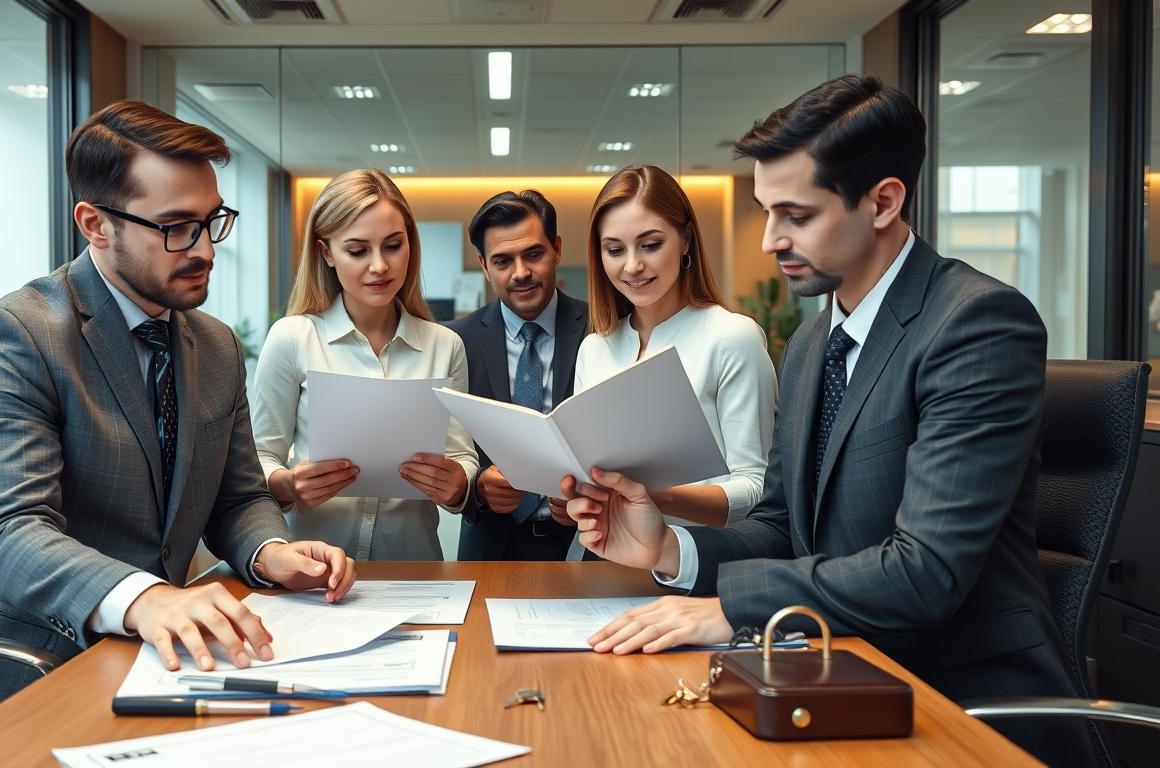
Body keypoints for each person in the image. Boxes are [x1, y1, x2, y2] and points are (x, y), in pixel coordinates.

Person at [563, 74, 1091, 766]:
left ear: (883, 201)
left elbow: (925, 571)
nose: (769, 241)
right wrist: (667, 551)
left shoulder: (976, 325)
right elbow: (784, 526)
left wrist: (729, 609)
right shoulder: (815, 341)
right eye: (766, 211)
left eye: (797, 215)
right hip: (833, 675)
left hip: (961, 704)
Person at [0, 100, 355, 740]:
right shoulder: (18, 334)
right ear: (95, 224)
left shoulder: (212, 344)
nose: (206, 249)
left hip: (172, 670)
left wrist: (272, 553)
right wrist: (146, 597)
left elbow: (238, 497)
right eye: (177, 227)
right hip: (36, 683)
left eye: (213, 222)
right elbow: (7, 532)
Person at [251, 169, 478, 560]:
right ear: (327, 254)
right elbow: (260, 455)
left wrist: (459, 484)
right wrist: (289, 484)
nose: (379, 266)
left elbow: (462, 457)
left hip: (414, 568)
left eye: (393, 245)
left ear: (411, 244)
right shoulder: (292, 338)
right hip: (310, 570)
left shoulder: (446, 345)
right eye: (358, 251)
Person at [569, 164, 776, 543]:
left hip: (697, 564)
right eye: (615, 249)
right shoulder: (594, 348)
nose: (632, 265)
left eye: (650, 245)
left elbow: (756, 489)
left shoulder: (732, 337)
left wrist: (654, 496)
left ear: (684, 241)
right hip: (601, 557)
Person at [447, 190, 588, 560]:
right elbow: (447, 451)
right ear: (484, 265)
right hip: (488, 550)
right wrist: (478, 489)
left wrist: (587, 493)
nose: (521, 273)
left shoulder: (602, 330)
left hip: (586, 547)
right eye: (502, 260)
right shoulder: (455, 341)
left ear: (557, 249)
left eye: (534, 254)